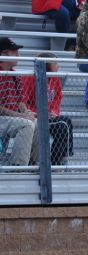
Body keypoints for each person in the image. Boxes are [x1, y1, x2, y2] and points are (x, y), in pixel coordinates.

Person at [21, 53, 73, 165]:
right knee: (64, 123)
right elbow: (23, 103)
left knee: (64, 123)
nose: (58, 66)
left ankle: (57, 160)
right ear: (46, 65)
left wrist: (54, 112)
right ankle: (55, 161)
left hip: (49, 116)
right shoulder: (29, 78)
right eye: (55, 63)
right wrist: (39, 113)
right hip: (35, 117)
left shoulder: (55, 79)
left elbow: (57, 98)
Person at [0, 38, 37, 167]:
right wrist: (21, 116)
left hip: (11, 118)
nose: (18, 56)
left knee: (37, 122)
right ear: (3, 54)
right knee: (26, 124)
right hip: (3, 118)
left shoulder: (15, 74)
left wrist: (26, 112)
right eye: (14, 52)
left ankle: (36, 165)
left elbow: (21, 101)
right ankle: (18, 167)